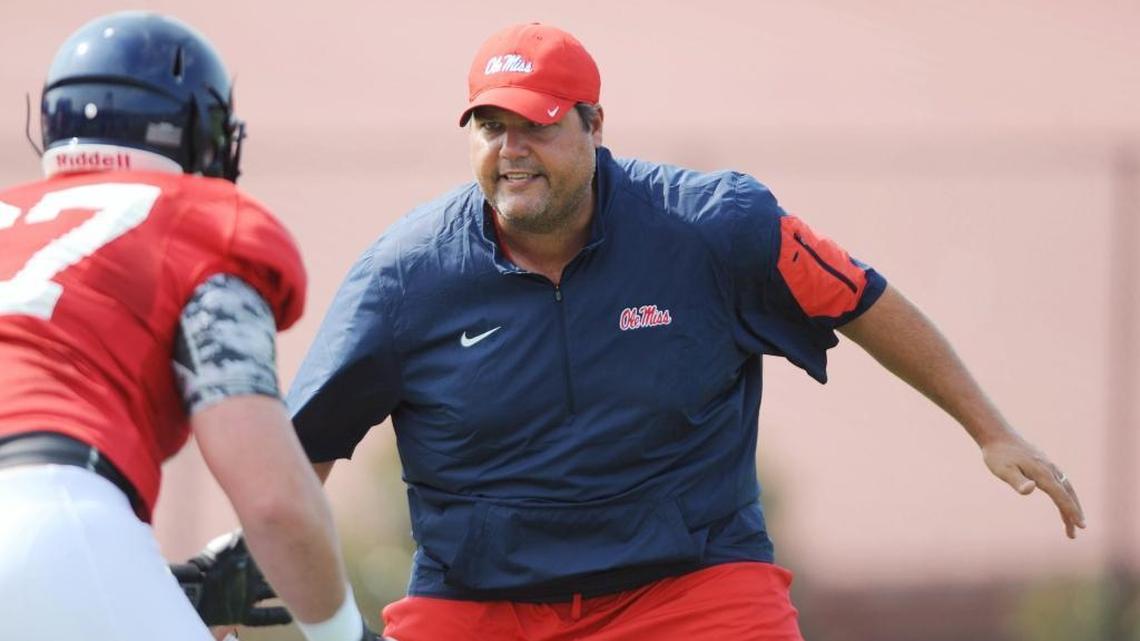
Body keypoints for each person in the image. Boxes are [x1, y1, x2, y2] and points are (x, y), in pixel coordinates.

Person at [285, 22, 1086, 641]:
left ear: (596, 126)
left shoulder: (716, 228)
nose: (510, 151)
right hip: (480, 603)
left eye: (535, 124)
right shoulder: (405, 275)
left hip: (690, 587)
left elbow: (862, 297)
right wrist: (247, 575)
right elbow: (296, 452)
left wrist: (991, 430)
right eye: (490, 126)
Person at [0, 11, 379, 641]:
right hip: (52, 513)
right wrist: (342, 633)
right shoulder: (199, 220)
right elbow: (273, 500)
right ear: (203, 134)